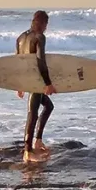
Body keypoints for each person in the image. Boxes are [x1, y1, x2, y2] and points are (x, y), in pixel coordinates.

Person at [15, 10, 57, 163]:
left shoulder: (21, 37)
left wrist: (19, 84)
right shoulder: (39, 37)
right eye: (46, 24)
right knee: (32, 113)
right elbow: (40, 61)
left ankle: (37, 141)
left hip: (27, 79)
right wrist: (48, 84)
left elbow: (17, 62)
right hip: (36, 79)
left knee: (48, 106)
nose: (46, 28)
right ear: (43, 23)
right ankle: (27, 151)